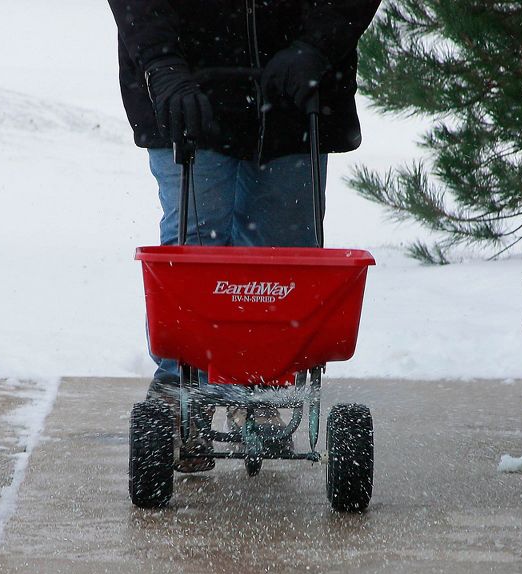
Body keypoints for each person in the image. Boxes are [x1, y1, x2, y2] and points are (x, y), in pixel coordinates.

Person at [107, 0, 380, 468]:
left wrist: (317, 45)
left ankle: (263, 382)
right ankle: (181, 385)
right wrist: (162, 64)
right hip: (188, 87)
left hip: (296, 88)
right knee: (194, 241)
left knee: (282, 256)